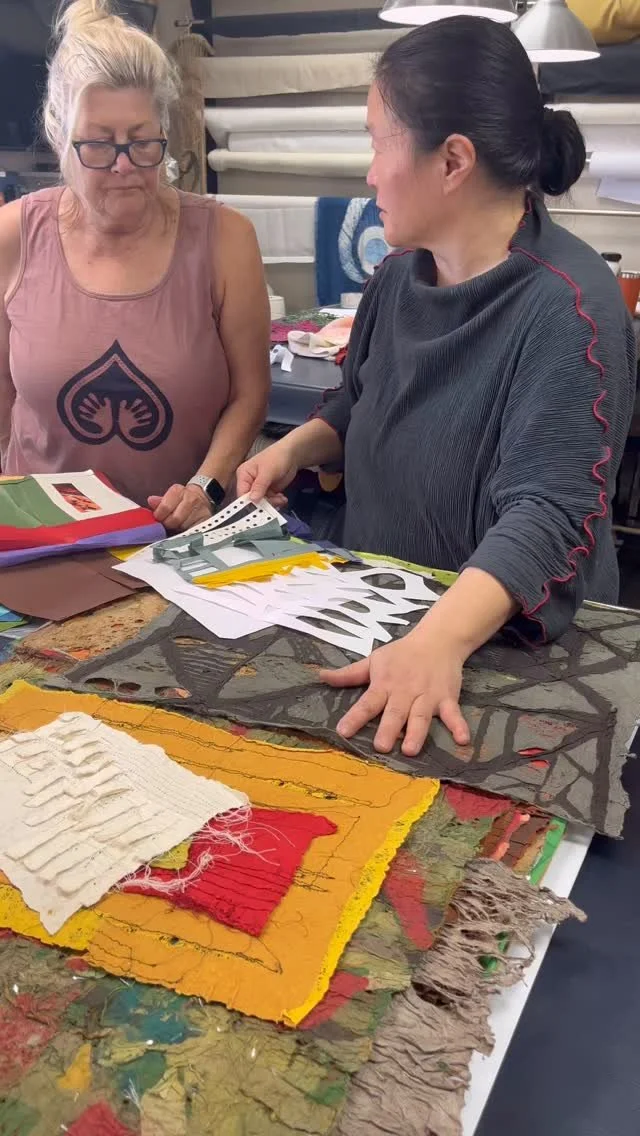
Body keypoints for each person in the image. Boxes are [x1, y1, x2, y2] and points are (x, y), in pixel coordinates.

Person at [237, 17, 636, 759]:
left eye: (378, 142)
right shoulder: (397, 276)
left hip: (497, 653)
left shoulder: (569, 308)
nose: (369, 174)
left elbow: (548, 515)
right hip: (383, 619)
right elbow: (360, 403)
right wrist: (293, 450)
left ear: (452, 160)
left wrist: (438, 642)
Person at [0, 0, 270, 532]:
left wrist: (205, 488)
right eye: (100, 145)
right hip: (43, 535)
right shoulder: (14, 237)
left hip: (176, 536)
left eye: (142, 143)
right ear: (60, 136)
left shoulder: (226, 239)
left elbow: (250, 395)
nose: (124, 166)